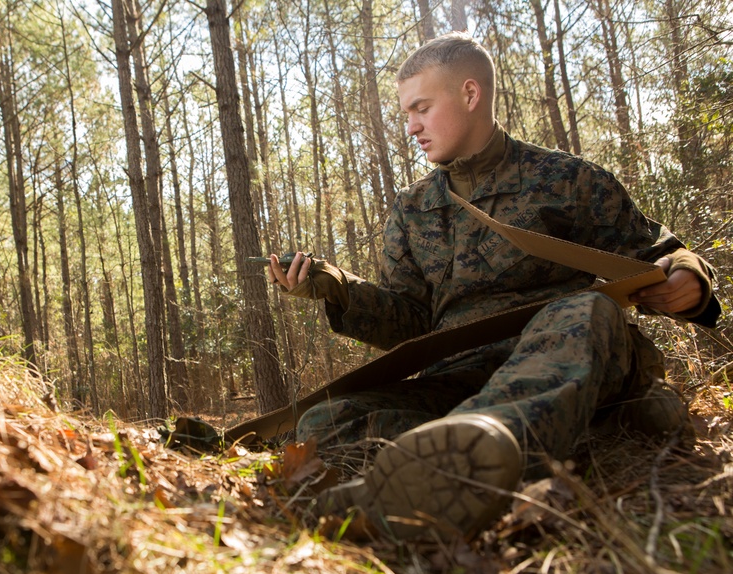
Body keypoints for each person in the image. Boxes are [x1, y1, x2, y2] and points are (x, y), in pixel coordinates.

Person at [267, 32, 721, 540]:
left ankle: (467, 461)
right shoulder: (412, 208)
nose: (411, 126)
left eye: (421, 108)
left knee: (581, 310)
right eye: (405, 114)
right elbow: (411, 321)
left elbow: (656, 250)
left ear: (469, 94)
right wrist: (339, 289)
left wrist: (688, 279)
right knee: (327, 421)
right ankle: (544, 442)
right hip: (466, 376)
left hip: (568, 351)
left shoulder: (566, 179)